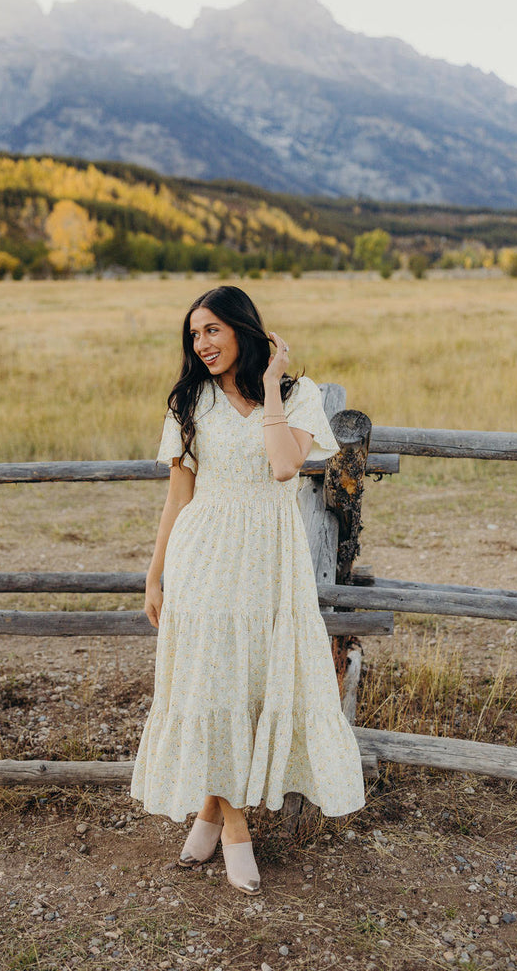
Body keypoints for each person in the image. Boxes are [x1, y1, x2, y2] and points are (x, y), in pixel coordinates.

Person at [130, 285, 365, 895]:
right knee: (212, 680)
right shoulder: (188, 403)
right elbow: (178, 495)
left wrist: (269, 387)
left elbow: (285, 466)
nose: (201, 344)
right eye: (194, 335)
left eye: (211, 330)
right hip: (204, 554)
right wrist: (155, 575)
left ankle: (208, 812)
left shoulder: (297, 395)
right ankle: (235, 826)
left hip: (271, 561)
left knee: (252, 682)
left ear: (242, 328)